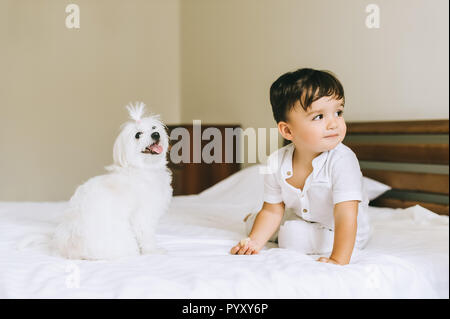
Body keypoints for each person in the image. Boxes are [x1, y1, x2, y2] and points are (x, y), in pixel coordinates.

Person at [230, 68, 371, 265]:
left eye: (338, 112)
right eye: (319, 117)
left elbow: (345, 214)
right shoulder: (276, 162)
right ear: (287, 130)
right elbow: (272, 210)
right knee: (258, 224)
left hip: (341, 228)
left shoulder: (343, 160)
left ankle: (288, 230)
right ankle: (258, 224)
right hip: (301, 216)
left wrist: (338, 259)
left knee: (292, 236)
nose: (334, 124)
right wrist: (253, 244)